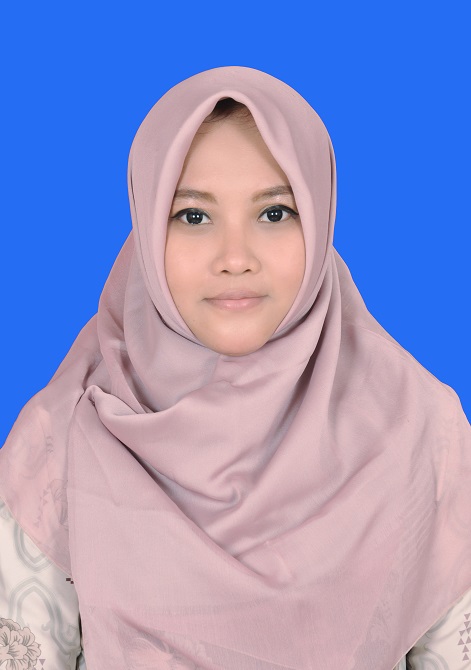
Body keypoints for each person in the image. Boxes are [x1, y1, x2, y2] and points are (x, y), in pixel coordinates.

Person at [0, 66, 470, 670]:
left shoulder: (421, 432)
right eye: (194, 216)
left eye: (274, 213)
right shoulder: (60, 442)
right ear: (147, 223)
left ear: (320, 216)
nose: (235, 258)